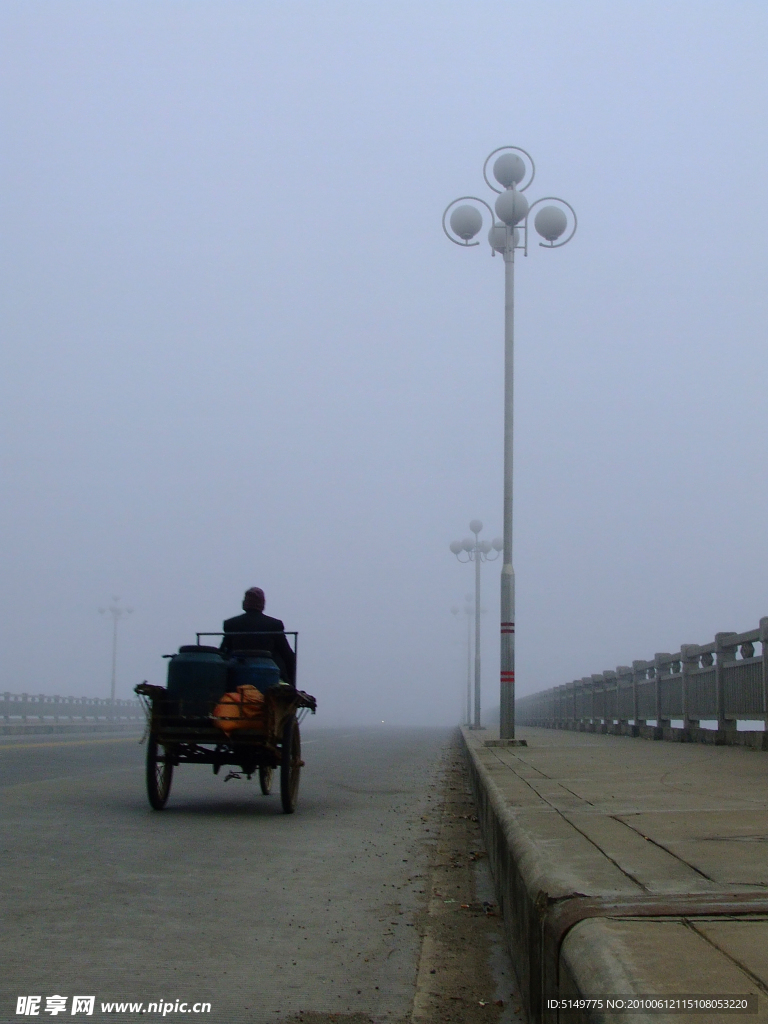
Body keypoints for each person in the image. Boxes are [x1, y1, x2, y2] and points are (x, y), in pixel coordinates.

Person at [220, 587, 296, 686]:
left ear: (245, 603)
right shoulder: (274, 624)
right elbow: (287, 655)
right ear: (262, 603)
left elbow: (223, 652)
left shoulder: (231, 623)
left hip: (236, 674)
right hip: (268, 675)